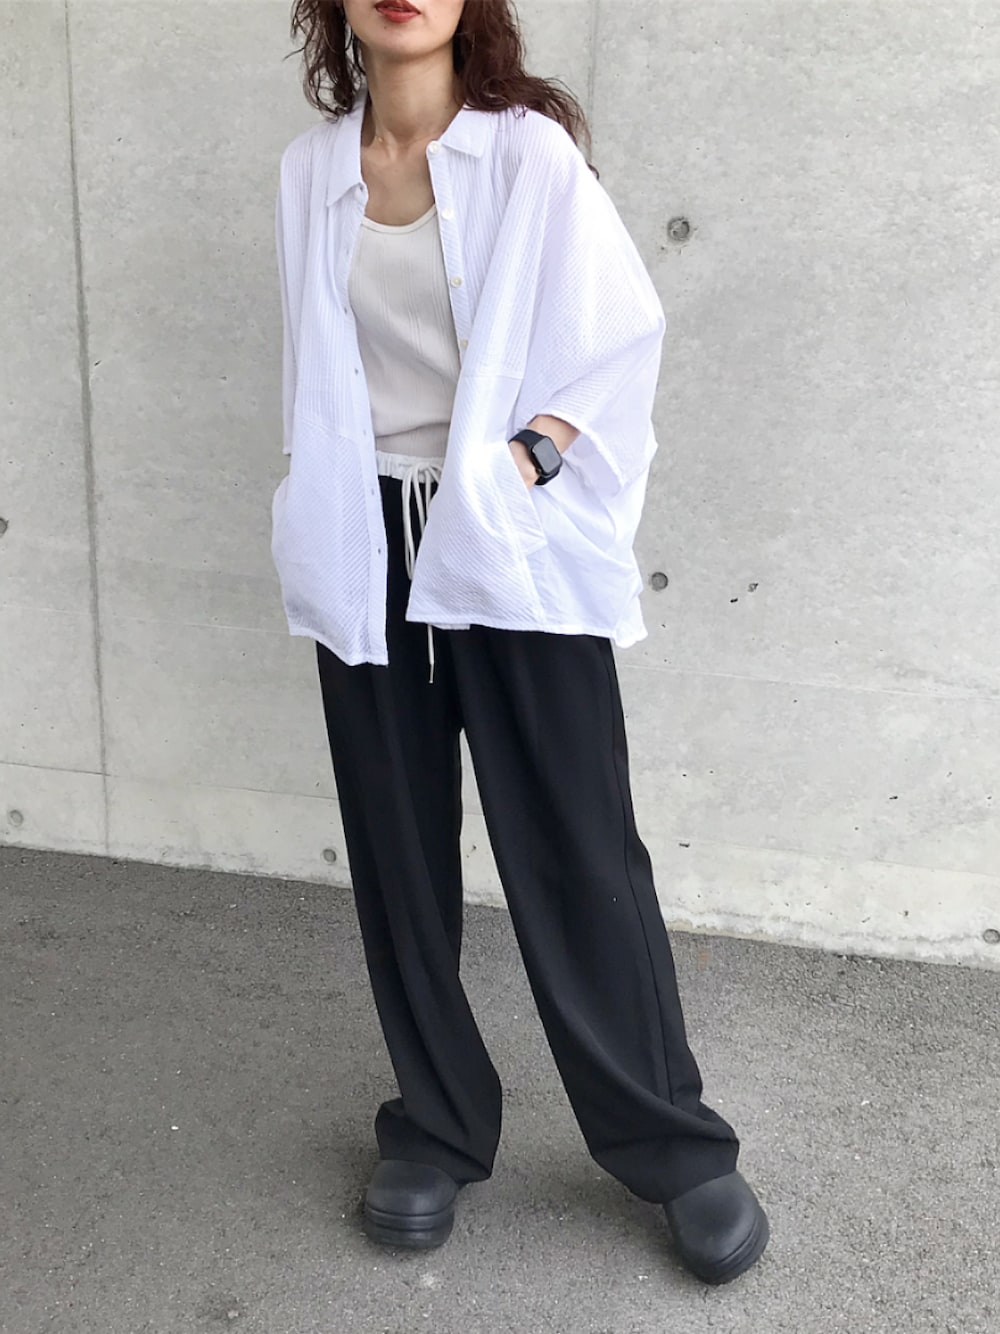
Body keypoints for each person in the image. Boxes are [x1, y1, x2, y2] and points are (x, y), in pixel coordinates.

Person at [272, 0, 769, 1286]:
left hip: (506, 538)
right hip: (364, 536)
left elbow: (616, 334)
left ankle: (672, 1142)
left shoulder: (526, 152)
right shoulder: (311, 172)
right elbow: (314, 372)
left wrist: (525, 461)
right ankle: (435, 1124)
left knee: (575, 840)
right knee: (395, 847)